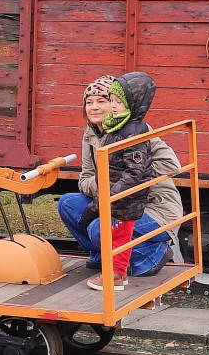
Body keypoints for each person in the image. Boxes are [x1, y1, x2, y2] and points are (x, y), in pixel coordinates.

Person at [57, 72, 183, 290]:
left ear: (119, 105)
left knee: (98, 229)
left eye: (103, 101)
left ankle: (151, 255)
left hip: (153, 207)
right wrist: (110, 183)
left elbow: (173, 166)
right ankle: (103, 256)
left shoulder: (136, 131)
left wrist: (129, 176)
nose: (94, 107)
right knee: (68, 204)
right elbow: (85, 179)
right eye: (89, 102)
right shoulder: (90, 134)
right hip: (115, 199)